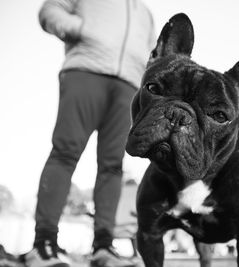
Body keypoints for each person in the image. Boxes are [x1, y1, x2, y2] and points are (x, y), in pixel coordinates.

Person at [24, 1, 156, 267]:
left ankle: (103, 247)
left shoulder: (145, 14)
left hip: (129, 87)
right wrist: (84, 29)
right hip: (86, 71)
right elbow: (49, 11)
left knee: (113, 166)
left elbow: (153, 54)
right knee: (65, 152)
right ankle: (44, 243)